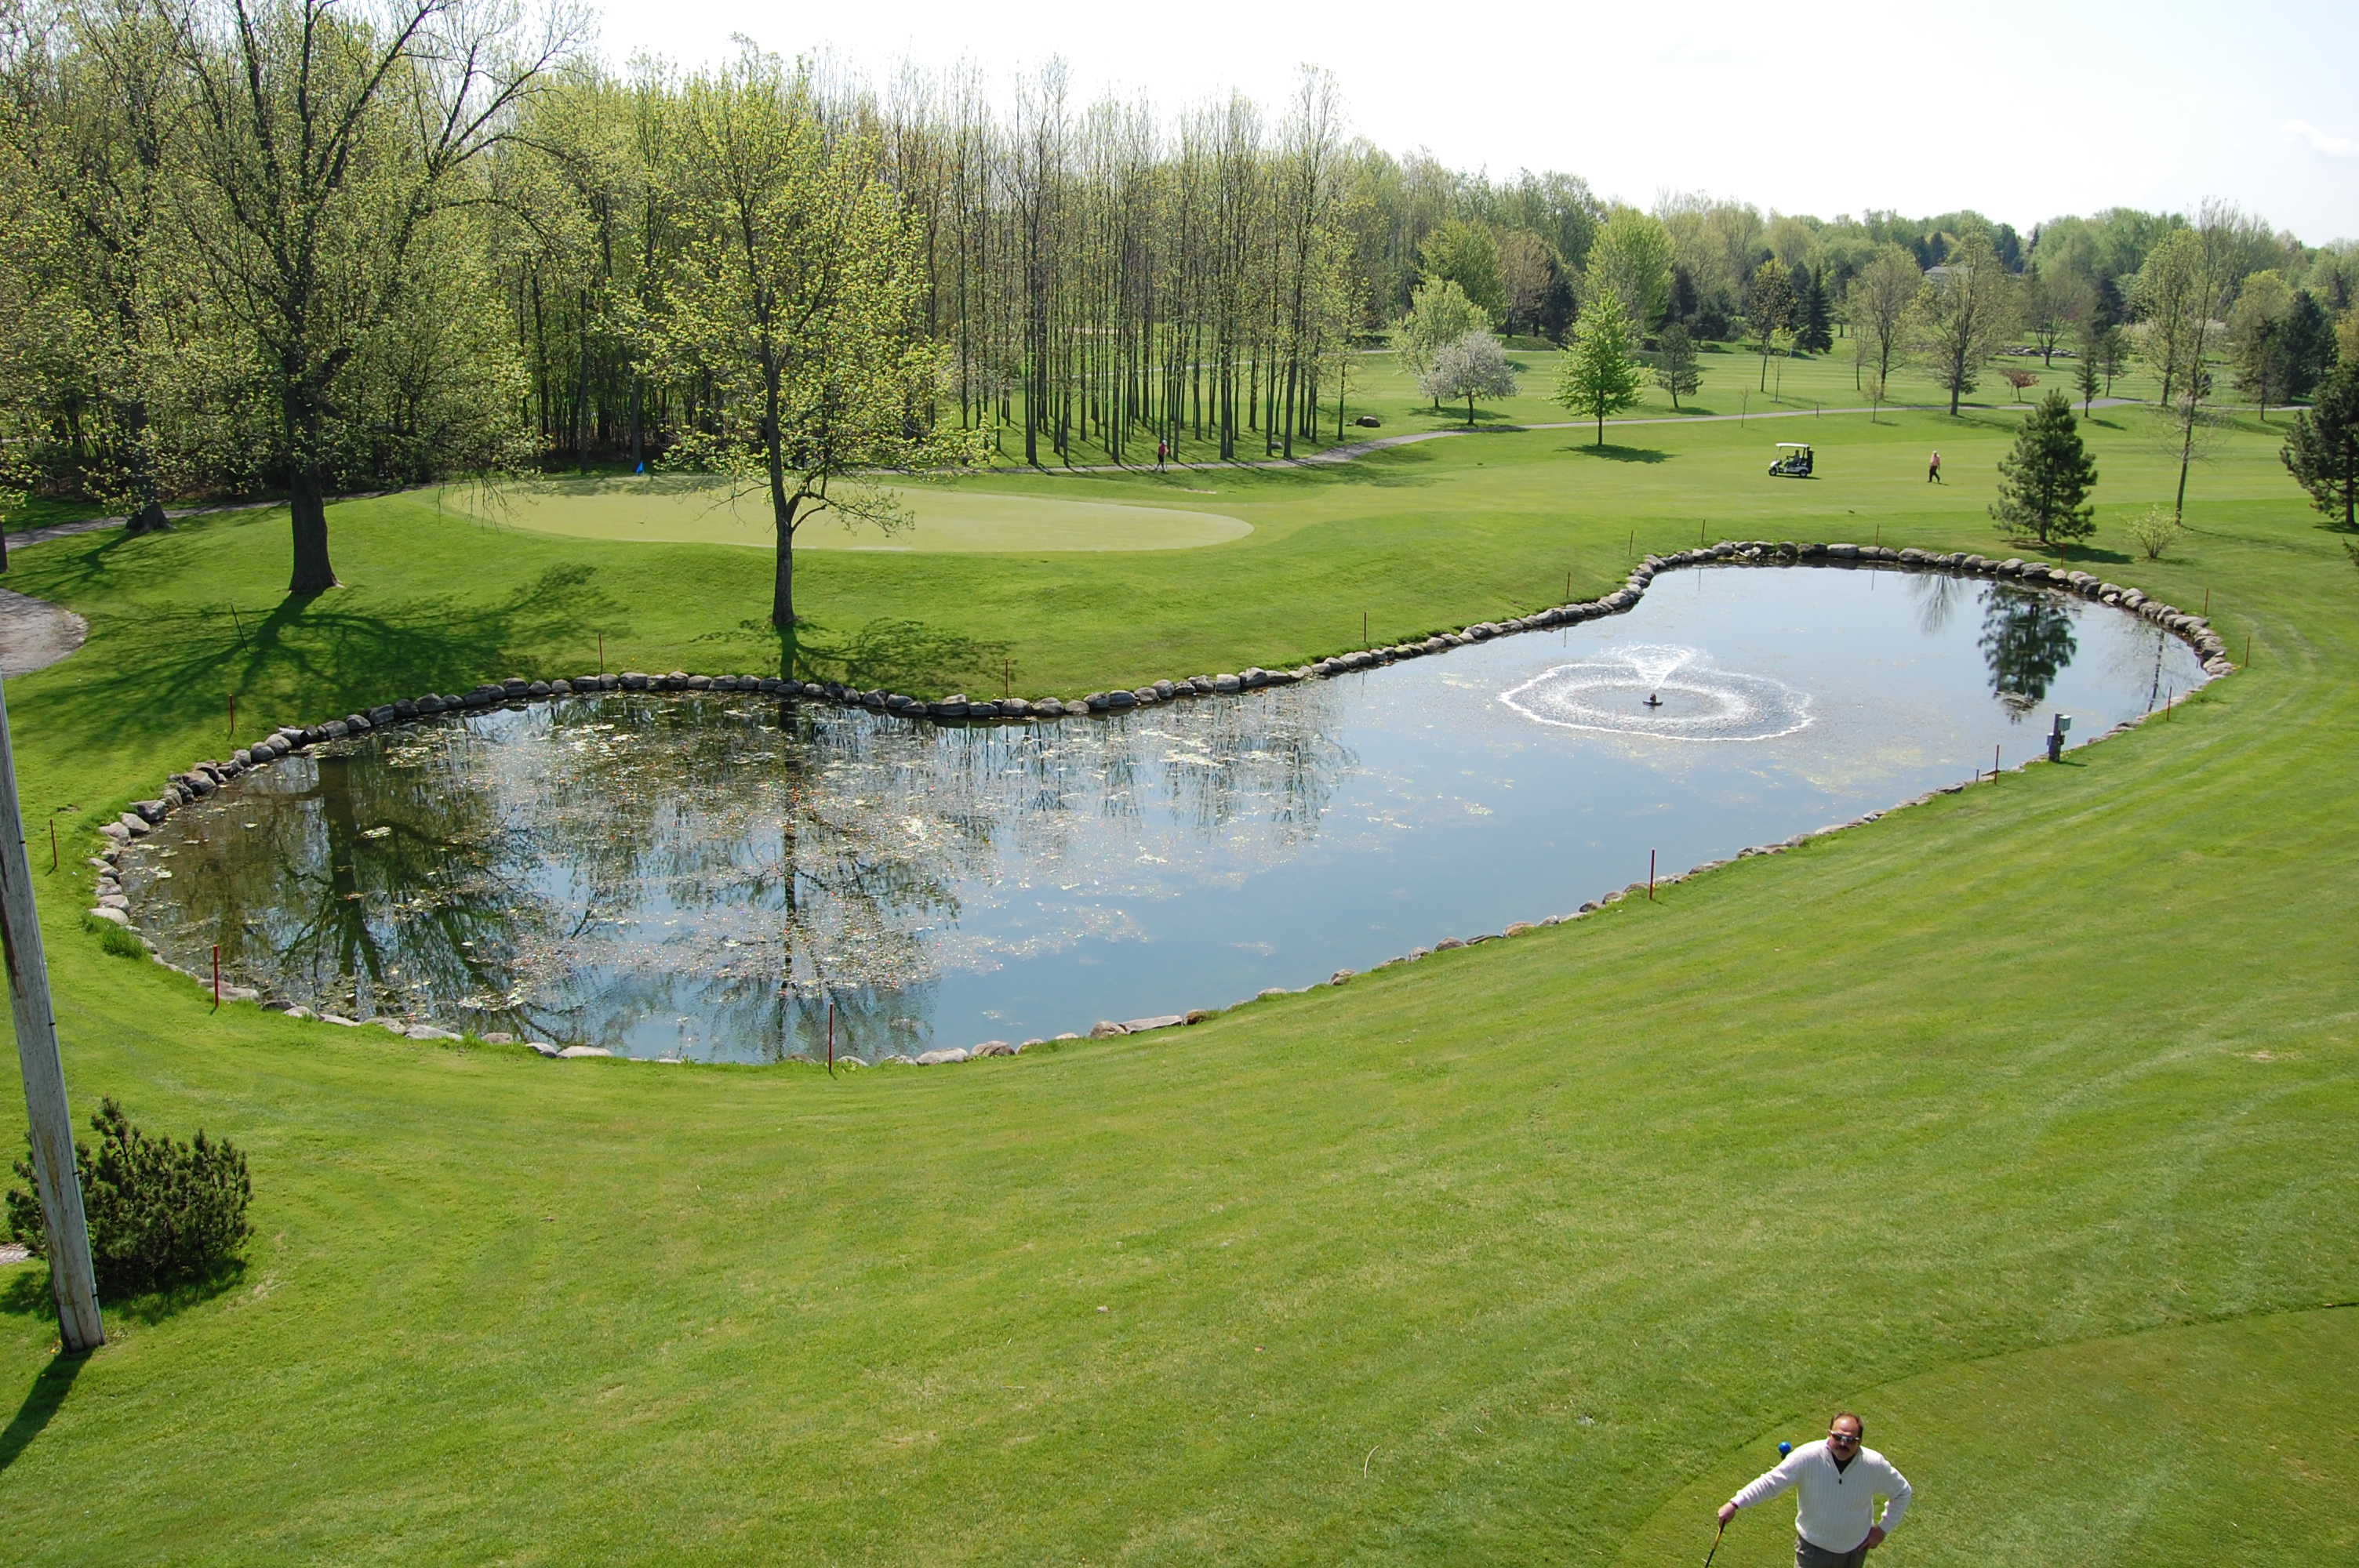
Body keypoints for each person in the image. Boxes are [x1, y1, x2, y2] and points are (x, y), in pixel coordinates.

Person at [1717, 1412, 1911, 1568]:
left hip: (1854, 1553)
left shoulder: (1873, 1465)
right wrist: (1736, 1503)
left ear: (1860, 1441)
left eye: (1850, 1440)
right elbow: (1771, 1482)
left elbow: (1902, 1492)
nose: (1843, 1443)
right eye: (1838, 1437)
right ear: (1829, 1434)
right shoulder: (1808, 1456)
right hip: (1813, 1553)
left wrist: (1882, 1530)